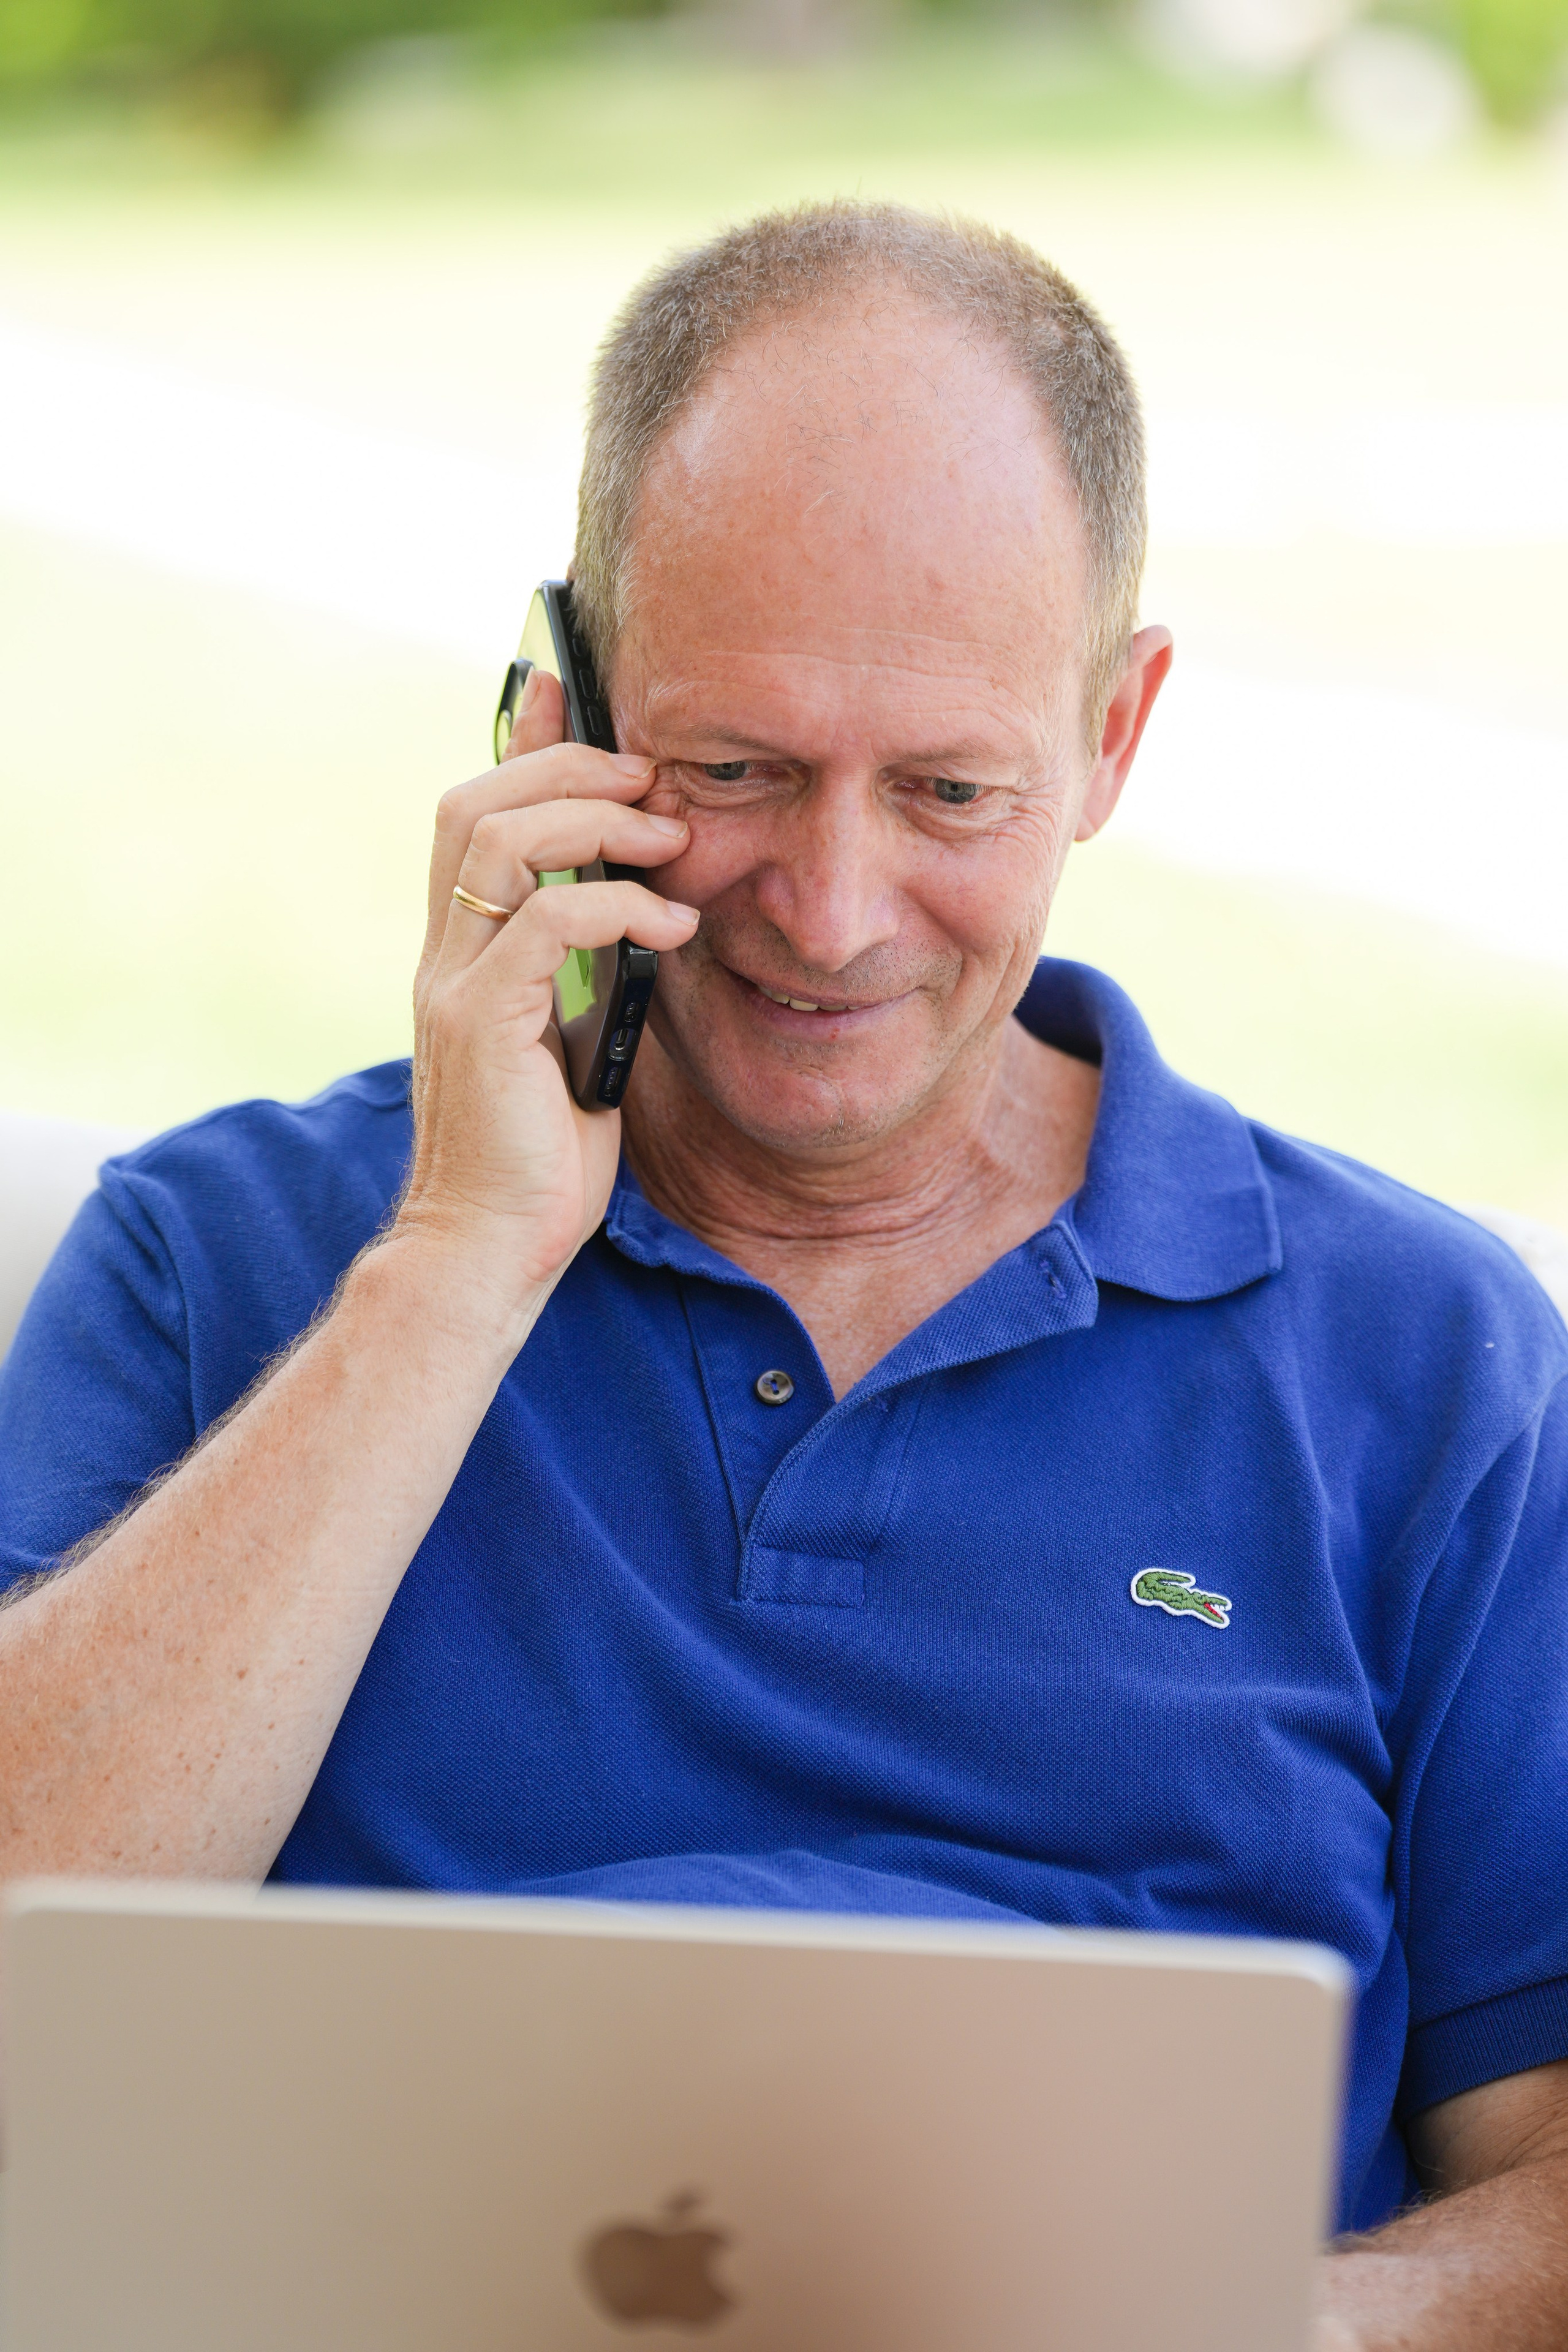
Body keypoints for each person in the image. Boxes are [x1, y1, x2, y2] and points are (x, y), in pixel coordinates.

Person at [2, 202, 1567, 2348]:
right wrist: (459, 1262)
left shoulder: (1429, 1359)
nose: (830, 914)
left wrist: (1251, 2329)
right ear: (559, 710)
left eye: (948, 789)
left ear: (1116, 736)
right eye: (730, 773)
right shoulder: (227, 1261)